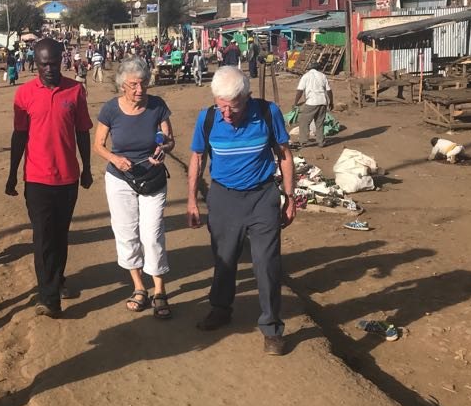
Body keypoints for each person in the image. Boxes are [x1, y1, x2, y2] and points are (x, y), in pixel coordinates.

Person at [186, 66, 296, 356]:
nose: (226, 114)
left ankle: (272, 328)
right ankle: (221, 309)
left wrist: (290, 196)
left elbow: (284, 155)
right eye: (221, 106)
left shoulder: (268, 113)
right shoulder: (207, 118)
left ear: (246, 97)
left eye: (232, 108)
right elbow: (197, 158)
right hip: (223, 197)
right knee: (224, 259)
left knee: (266, 263)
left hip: (262, 197)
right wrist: (191, 200)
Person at [6, 37, 93, 317]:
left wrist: (87, 168)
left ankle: (57, 278)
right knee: (43, 237)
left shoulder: (75, 92)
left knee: (59, 235)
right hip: (37, 179)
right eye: (44, 64)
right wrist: (11, 174)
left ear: (61, 61)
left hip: (67, 179)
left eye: (54, 63)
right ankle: (49, 297)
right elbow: (19, 136)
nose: (49, 69)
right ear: (36, 64)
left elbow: (82, 133)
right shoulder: (25, 94)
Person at [92, 57, 175, 319]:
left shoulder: (158, 106)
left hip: (152, 178)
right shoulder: (110, 110)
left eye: (143, 84)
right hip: (120, 180)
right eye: (133, 85)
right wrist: (115, 159)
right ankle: (139, 287)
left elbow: (169, 140)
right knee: (126, 233)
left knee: (152, 234)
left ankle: (159, 290)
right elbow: (99, 145)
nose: (140, 90)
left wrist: (163, 149)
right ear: (122, 86)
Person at [293, 61, 333, 148]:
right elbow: (329, 90)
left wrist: (295, 103)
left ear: (310, 68)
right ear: (318, 68)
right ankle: (321, 142)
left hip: (311, 102)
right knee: (320, 123)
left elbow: (300, 90)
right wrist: (331, 102)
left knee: (304, 122)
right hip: (322, 101)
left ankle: (303, 141)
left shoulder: (306, 76)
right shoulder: (322, 76)